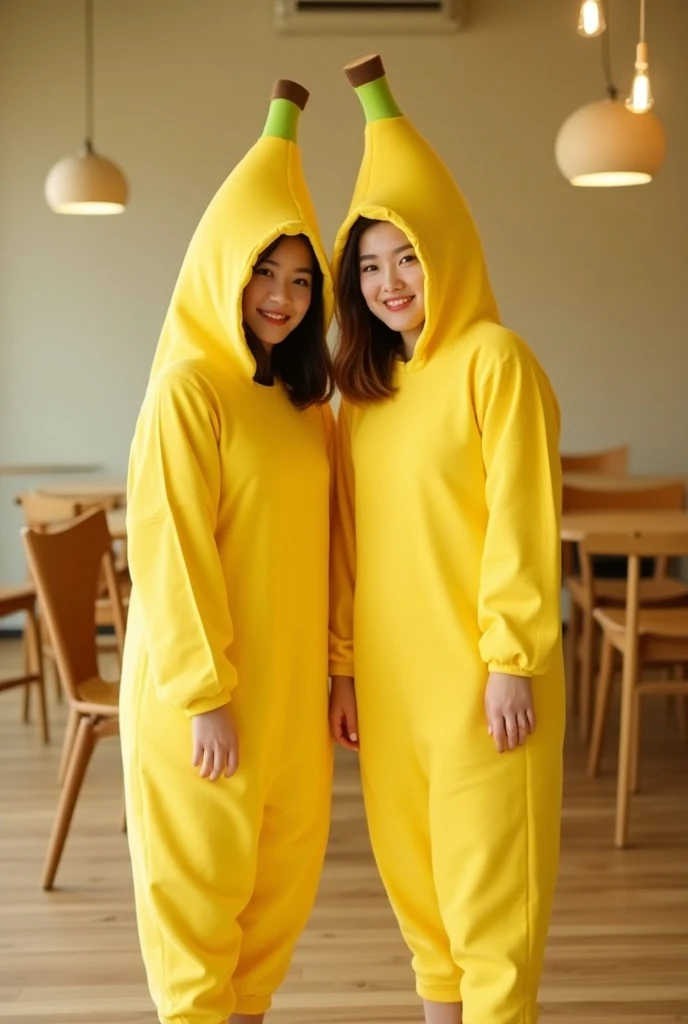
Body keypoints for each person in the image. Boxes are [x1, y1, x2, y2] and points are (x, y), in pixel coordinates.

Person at [329, 54, 565, 1024]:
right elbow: (348, 541)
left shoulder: (495, 363)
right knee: (423, 916)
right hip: (390, 692)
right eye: (370, 264)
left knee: (489, 921)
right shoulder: (364, 394)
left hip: (482, 687)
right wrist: (342, 667)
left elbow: (522, 519)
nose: (389, 283)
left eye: (407, 257)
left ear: (448, 252)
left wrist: (511, 659)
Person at [119, 79, 335, 1024]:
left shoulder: (302, 408)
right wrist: (206, 697)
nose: (281, 298)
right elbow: (168, 554)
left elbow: (329, 549)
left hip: (289, 697)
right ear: (222, 268)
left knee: (272, 908)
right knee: (199, 908)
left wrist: (339, 670)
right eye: (264, 273)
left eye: (300, 280)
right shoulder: (187, 391)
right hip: (203, 698)